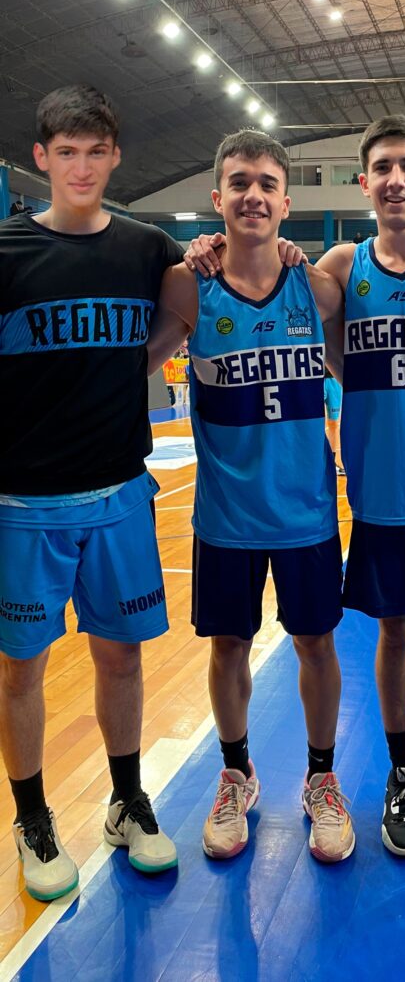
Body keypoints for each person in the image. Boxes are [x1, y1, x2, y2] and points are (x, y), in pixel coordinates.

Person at [185, 114, 405, 860]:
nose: (396, 179)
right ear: (363, 182)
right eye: (382, 167)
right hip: (379, 495)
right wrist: (205, 248)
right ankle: (403, 772)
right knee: (396, 630)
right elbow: (333, 352)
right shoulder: (341, 270)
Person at [148, 130, 355, 864]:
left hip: (307, 513)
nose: (253, 195)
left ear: (287, 202)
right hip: (227, 518)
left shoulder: (318, 287)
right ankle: (236, 774)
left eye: (267, 183)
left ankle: (322, 779)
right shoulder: (187, 287)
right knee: (228, 645)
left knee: (315, 643)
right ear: (217, 198)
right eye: (239, 182)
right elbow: (129, 356)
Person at [0, 85, 182, 901]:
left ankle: (126, 799)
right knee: (21, 672)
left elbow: (179, 318)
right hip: (21, 505)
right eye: (64, 151)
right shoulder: (4, 252)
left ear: (114, 157)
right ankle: (32, 818)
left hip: (118, 496)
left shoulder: (147, 247)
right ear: (40, 159)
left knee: (122, 660)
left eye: (94, 150)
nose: (80, 165)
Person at [324, 369, 346, 475]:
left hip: (333, 377)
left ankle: (333, 463)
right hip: (313, 378)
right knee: (313, 422)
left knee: (333, 423)